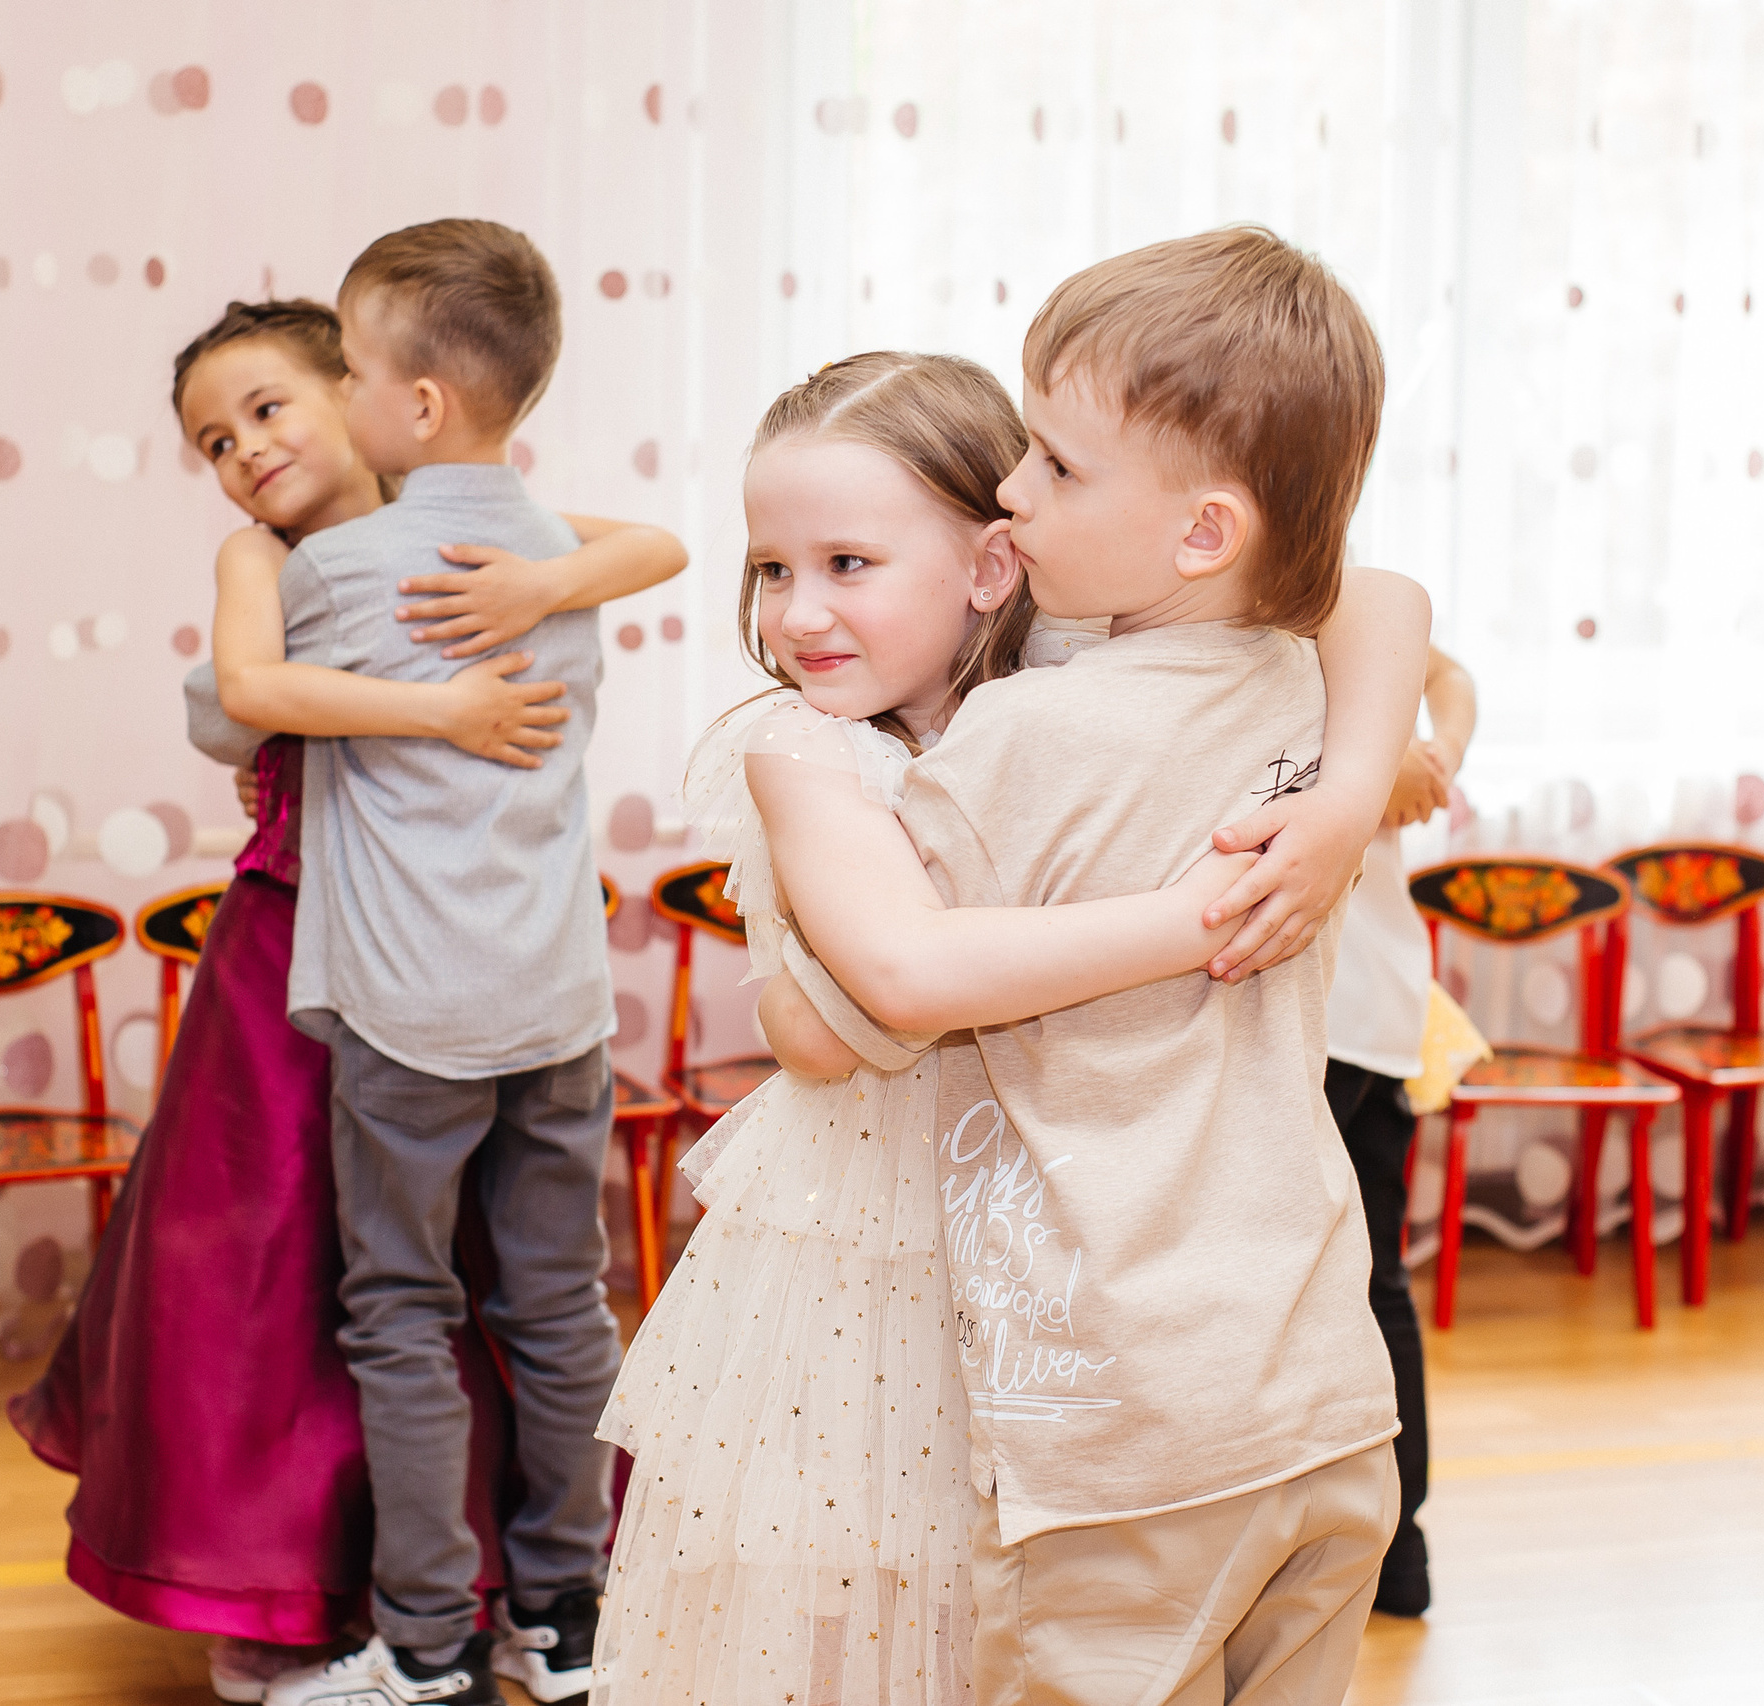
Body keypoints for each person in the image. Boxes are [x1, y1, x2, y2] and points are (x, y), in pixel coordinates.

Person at [595, 350, 1430, 1704]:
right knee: (881, 1575)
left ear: (993, 565)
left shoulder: (1074, 672)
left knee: (1020, 1587)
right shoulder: (800, 746)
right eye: (771, 568)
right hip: (875, 1245)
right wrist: (1211, 909)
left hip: (1082, 1249)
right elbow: (872, 998)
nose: (797, 612)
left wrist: (1336, 811)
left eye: (849, 563)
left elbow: (1378, 597)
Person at [8, 296, 684, 1704]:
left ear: (367, 396)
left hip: (467, 971)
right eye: (212, 441)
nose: (244, 450)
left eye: (268, 407)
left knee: (480, 1286)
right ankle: (294, 1583)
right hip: (294, 960)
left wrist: (539, 587)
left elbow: (642, 544)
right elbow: (232, 701)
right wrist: (440, 689)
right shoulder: (266, 564)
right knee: (271, 1281)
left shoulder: (474, 538)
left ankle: (493, 1602)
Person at [243, 221, 630, 1706]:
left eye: (345, 370)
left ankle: (424, 1646)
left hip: (412, 1007)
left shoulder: (341, 568)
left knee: (401, 1312)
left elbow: (227, 710)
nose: (337, 395)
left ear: (417, 404)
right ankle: (567, 1619)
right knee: (560, 1305)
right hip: (559, 997)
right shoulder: (564, 559)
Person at [1323, 642, 1475, 1620]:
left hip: (1343, 1008)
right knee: (1371, 1283)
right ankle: (1391, 1554)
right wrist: (1388, 764)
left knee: (1357, 1284)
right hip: (1358, 1001)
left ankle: (1386, 1548)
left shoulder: (1317, 597)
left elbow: (1448, 676)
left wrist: (1432, 758)